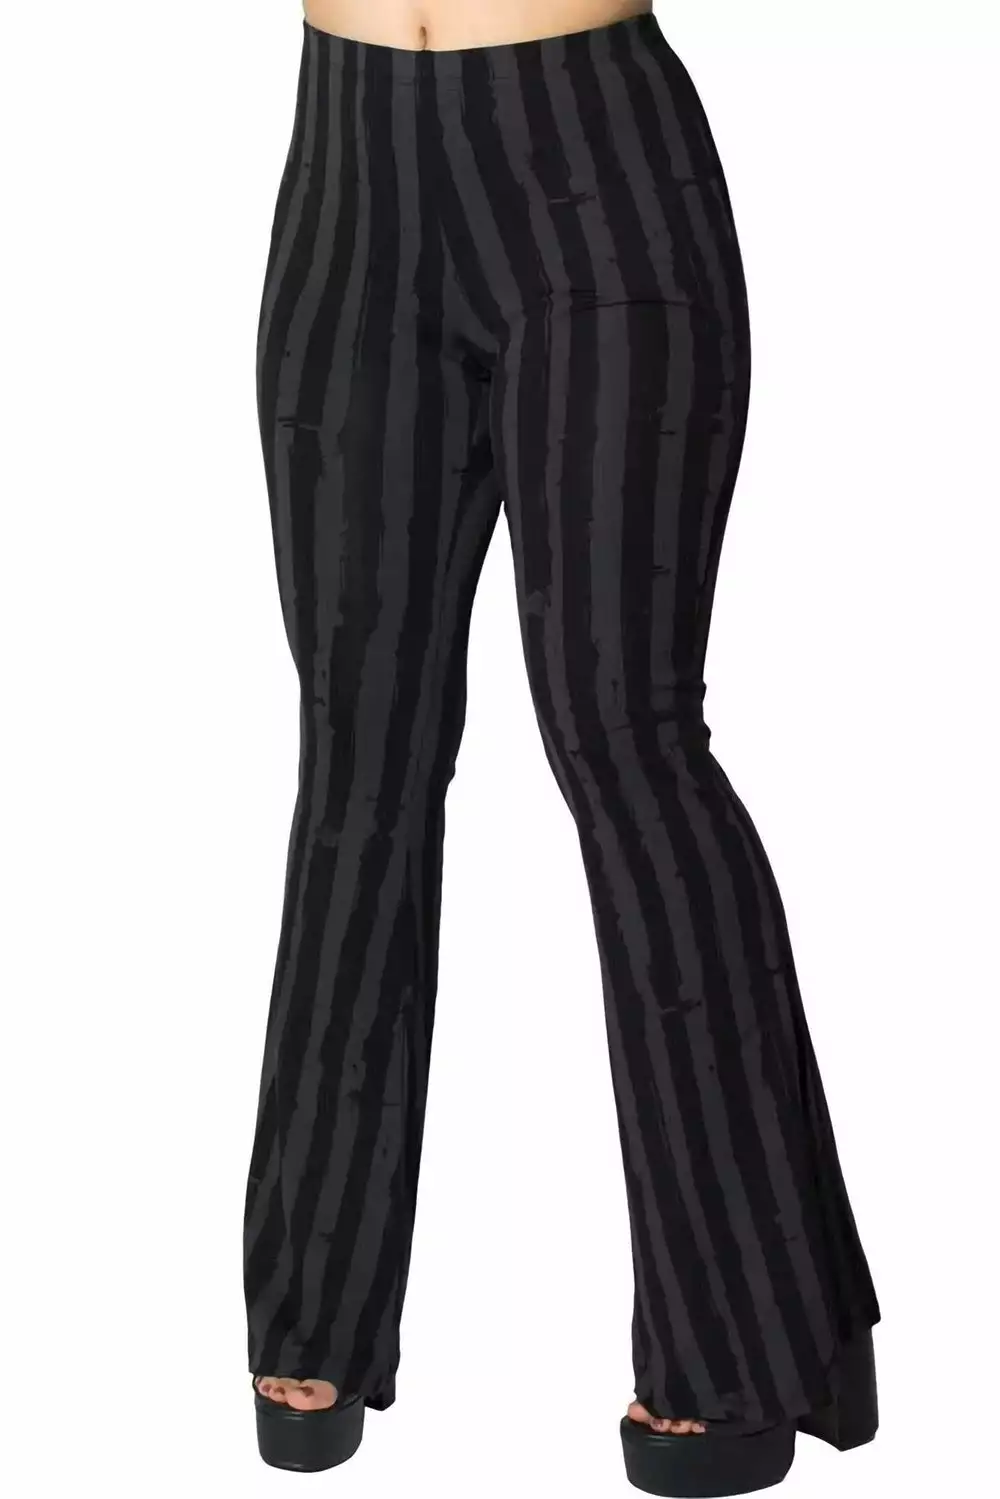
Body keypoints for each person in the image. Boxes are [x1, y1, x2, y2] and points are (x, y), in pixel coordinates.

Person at [243, 2, 882, 1491]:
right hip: (347, 171)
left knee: (623, 737)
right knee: (357, 754)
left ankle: (735, 1345)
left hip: (594, 169)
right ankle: (311, 1306)